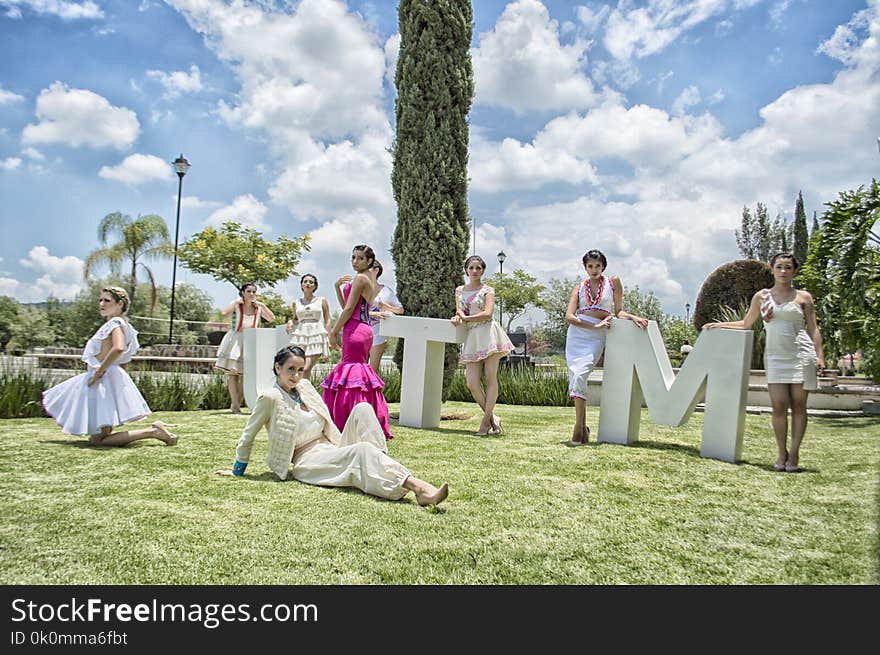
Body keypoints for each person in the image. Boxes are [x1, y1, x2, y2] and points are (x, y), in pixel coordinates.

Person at [216, 346, 448, 506]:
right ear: (278, 368)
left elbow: (326, 419)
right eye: (290, 370)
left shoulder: (305, 387)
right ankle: (420, 489)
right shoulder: (270, 398)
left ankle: (378, 465)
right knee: (362, 450)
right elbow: (248, 435)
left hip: (332, 446)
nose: (296, 376)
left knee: (363, 409)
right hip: (308, 460)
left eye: (300, 369)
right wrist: (237, 471)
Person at [704, 252, 825, 472]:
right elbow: (746, 323)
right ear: (772, 270)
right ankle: (781, 452)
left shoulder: (804, 297)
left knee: (799, 405)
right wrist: (719, 325)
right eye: (779, 267)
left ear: (794, 271)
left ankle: (794, 454)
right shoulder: (763, 296)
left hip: (801, 355)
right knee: (778, 405)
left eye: (788, 267)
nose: (783, 271)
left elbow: (813, 328)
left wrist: (819, 355)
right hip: (776, 357)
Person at [42, 286, 177, 446]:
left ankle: (154, 431)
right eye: (100, 300)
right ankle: (154, 431)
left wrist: (99, 372)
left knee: (99, 441)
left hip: (103, 378)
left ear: (120, 304)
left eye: (107, 300)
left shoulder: (115, 323)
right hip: (111, 378)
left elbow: (118, 348)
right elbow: (124, 358)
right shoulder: (126, 326)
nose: (101, 304)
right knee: (99, 438)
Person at [565, 249, 648, 446]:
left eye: (597, 265)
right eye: (590, 266)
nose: (594, 269)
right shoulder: (578, 288)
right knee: (576, 376)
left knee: (581, 374)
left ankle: (579, 428)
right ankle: (580, 426)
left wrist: (633, 317)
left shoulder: (613, 283)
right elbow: (569, 316)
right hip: (578, 334)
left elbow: (618, 311)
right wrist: (593, 325)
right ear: (585, 267)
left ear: (603, 266)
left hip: (597, 336)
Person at [322, 245, 393, 439]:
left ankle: (351, 421)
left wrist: (332, 332)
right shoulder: (363, 279)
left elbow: (348, 310)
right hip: (359, 327)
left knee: (354, 374)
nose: (355, 261)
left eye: (360, 258)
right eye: (353, 257)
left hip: (355, 329)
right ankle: (360, 420)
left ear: (369, 261)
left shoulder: (361, 278)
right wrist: (337, 287)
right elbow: (347, 306)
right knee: (356, 374)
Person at [451, 255, 514, 436]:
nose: (475, 271)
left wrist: (466, 318)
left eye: (478, 268)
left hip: (489, 334)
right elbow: (459, 310)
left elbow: (488, 313)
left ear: (483, 270)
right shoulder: (459, 290)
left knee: (489, 379)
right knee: (471, 382)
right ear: (466, 270)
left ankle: (485, 423)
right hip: (472, 337)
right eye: (471, 268)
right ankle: (494, 418)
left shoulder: (488, 290)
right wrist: (458, 316)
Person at [215, 282, 276, 414]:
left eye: (254, 292)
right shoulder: (238, 305)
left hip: (251, 341)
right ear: (243, 292)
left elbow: (272, 319)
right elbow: (224, 313)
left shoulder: (257, 308)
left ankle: (239, 402)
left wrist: (263, 305)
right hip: (236, 340)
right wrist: (235, 302)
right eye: (248, 291)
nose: (251, 294)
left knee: (246, 374)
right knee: (233, 373)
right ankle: (235, 404)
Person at [286, 274, 331, 380]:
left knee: (306, 368)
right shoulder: (296, 303)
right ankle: (303, 392)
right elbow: (295, 319)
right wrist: (290, 322)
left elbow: (328, 319)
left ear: (315, 286)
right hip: (301, 336)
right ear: (301, 285)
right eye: (305, 281)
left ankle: (305, 392)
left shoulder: (322, 300)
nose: (308, 284)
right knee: (299, 367)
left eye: (311, 282)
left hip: (317, 335)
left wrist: (328, 337)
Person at [367, 261, 404, 373]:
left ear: (376, 270)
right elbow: (354, 311)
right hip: (361, 331)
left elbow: (400, 310)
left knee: (373, 370)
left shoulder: (386, 291)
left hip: (379, 332)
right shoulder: (360, 289)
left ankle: (372, 391)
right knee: (359, 368)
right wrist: (374, 313)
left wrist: (387, 307)